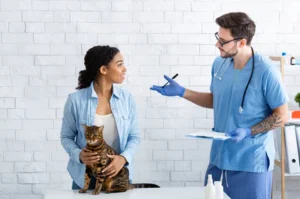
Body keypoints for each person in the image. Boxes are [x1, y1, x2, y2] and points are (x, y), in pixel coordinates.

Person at [150, 12, 288, 199]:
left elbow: (282, 115)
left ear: (241, 42)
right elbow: (217, 101)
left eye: (223, 41)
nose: (217, 44)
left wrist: (249, 131)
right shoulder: (220, 64)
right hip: (219, 158)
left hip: (250, 160)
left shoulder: (266, 71)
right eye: (218, 38)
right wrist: (183, 92)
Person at [60, 45, 140, 190]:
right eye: (120, 64)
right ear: (103, 70)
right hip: (85, 177)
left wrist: (123, 158)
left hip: (116, 177)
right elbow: (66, 137)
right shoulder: (75, 100)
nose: (125, 69)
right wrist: (79, 155)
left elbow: (134, 136)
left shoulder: (127, 99)